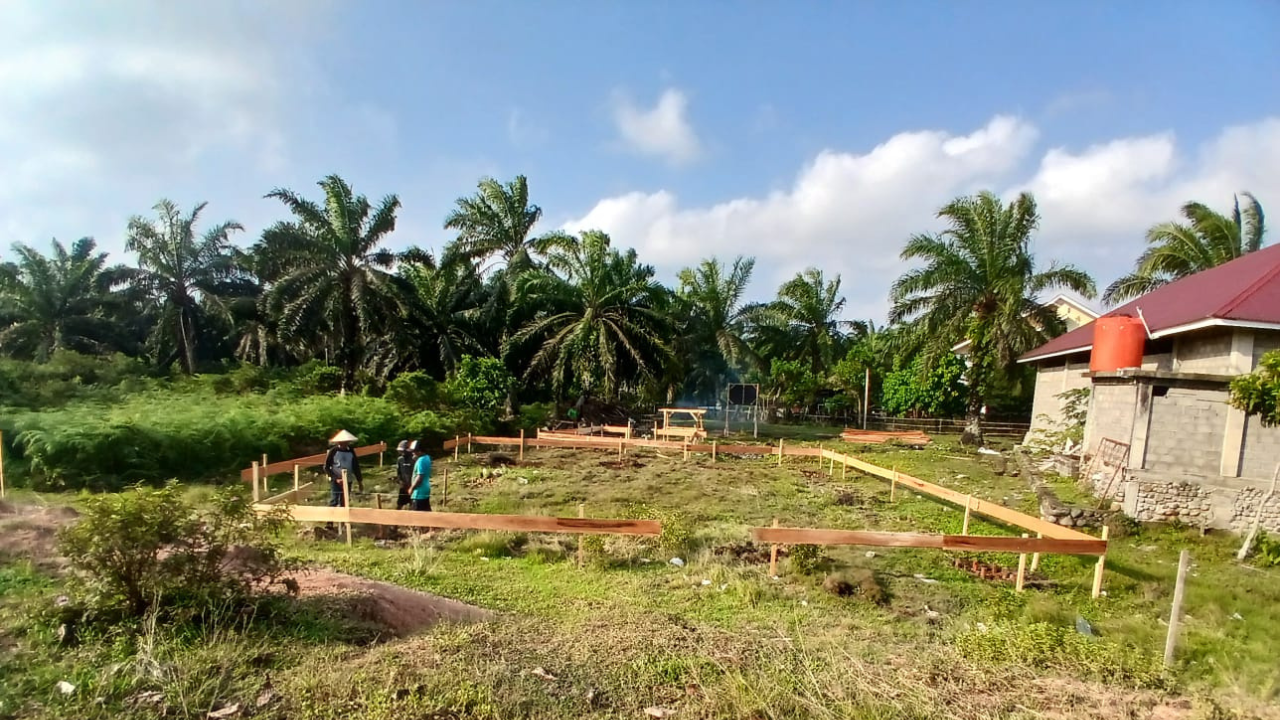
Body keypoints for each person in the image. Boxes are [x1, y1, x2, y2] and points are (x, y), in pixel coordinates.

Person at [323, 430, 364, 509]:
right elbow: (326, 467)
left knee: (344, 500)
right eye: (342, 442)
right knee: (334, 499)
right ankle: (331, 516)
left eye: (346, 442)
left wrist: (360, 481)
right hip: (336, 480)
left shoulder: (351, 451)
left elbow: (356, 467)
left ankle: (343, 516)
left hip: (348, 479)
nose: (344, 444)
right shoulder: (333, 451)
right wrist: (335, 478)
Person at [408, 440, 432, 511]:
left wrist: (412, 488)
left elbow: (419, 477)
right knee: (426, 512)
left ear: (420, 451)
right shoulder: (427, 457)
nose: (412, 453)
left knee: (416, 514)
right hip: (425, 489)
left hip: (418, 492)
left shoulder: (420, 461)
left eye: (414, 451)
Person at [394, 440, 414, 510]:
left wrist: (413, 486)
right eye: (400, 451)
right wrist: (400, 481)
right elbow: (399, 472)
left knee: (413, 505)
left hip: (413, 486)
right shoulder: (400, 459)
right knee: (399, 504)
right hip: (403, 486)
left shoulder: (414, 459)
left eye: (403, 451)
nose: (401, 453)